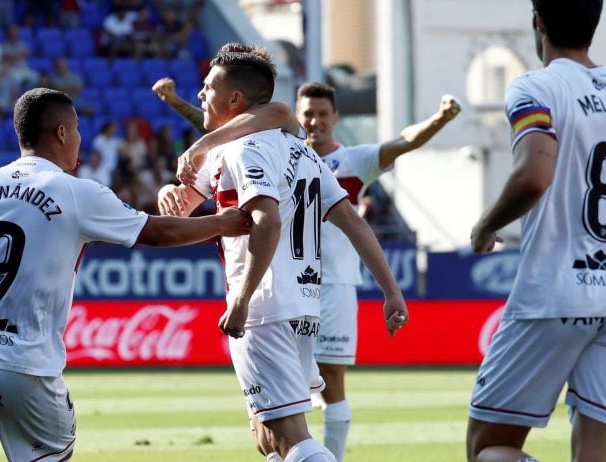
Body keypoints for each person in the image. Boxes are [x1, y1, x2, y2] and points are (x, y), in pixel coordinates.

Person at [0, 87, 252, 462]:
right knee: (52, 454)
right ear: (62, 133)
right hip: (24, 367)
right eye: (78, 129)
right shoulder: (76, 193)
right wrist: (225, 221)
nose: (80, 140)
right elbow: (159, 232)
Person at [153, 78, 460, 462]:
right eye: (307, 114)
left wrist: (243, 297)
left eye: (208, 86)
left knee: (291, 434)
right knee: (267, 436)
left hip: (267, 302)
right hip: (305, 300)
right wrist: (170, 193)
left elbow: (267, 219)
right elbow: (352, 219)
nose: (201, 95)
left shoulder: (246, 149)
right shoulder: (302, 154)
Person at [467, 1, 606, 461]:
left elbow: (533, 175)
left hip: (554, 292)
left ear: (539, 21)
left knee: (488, 449)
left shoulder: (535, 87)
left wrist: (486, 224)